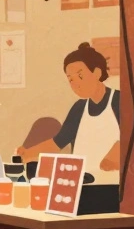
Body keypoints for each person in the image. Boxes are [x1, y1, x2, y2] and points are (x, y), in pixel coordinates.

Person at [18, 42, 121, 183]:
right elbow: (57, 143)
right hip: (78, 184)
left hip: (115, 187)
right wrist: (26, 154)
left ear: (97, 72)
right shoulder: (79, 108)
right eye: (70, 79)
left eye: (80, 76)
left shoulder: (120, 101)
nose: (75, 84)